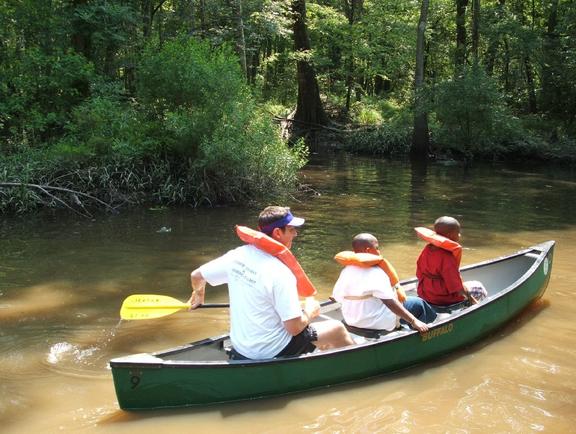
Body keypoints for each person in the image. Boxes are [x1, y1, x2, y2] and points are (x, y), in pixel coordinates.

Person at [188, 205, 354, 360]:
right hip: (272, 350)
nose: (295, 234)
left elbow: (197, 276)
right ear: (277, 233)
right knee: (337, 329)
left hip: (241, 347)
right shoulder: (280, 272)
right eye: (291, 229)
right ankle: (357, 365)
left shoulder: (236, 256)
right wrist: (310, 311)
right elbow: (294, 328)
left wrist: (198, 294)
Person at [332, 233, 437, 334]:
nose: (379, 251)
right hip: (377, 323)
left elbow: (337, 297)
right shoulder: (376, 272)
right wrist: (414, 321)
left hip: (351, 320)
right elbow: (389, 302)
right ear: (367, 250)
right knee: (418, 303)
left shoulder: (346, 270)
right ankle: (429, 334)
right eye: (377, 248)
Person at [415, 216, 488, 309]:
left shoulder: (427, 249)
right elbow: (457, 288)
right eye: (458, 233)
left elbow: (419, 273)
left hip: (426, 293)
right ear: (450, 235)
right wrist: (472, 299)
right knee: (479, 287)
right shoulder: (447, 257)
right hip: (443, 299)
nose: (459, 235)